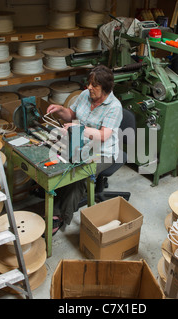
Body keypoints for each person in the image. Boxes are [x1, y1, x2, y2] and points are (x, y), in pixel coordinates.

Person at [46, 64, 123, 232]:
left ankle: (60, 216)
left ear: (106, 88)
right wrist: (60, 110)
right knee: (61, 165)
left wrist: (77, 130)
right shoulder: (84, 95)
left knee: (79, 174)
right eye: (89, 83)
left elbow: (103, 135)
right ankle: (54, 203)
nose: (89, 88)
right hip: (83, 145)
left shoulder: (114, 107)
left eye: (94, 85)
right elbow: (72, 115)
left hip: (104, 153)